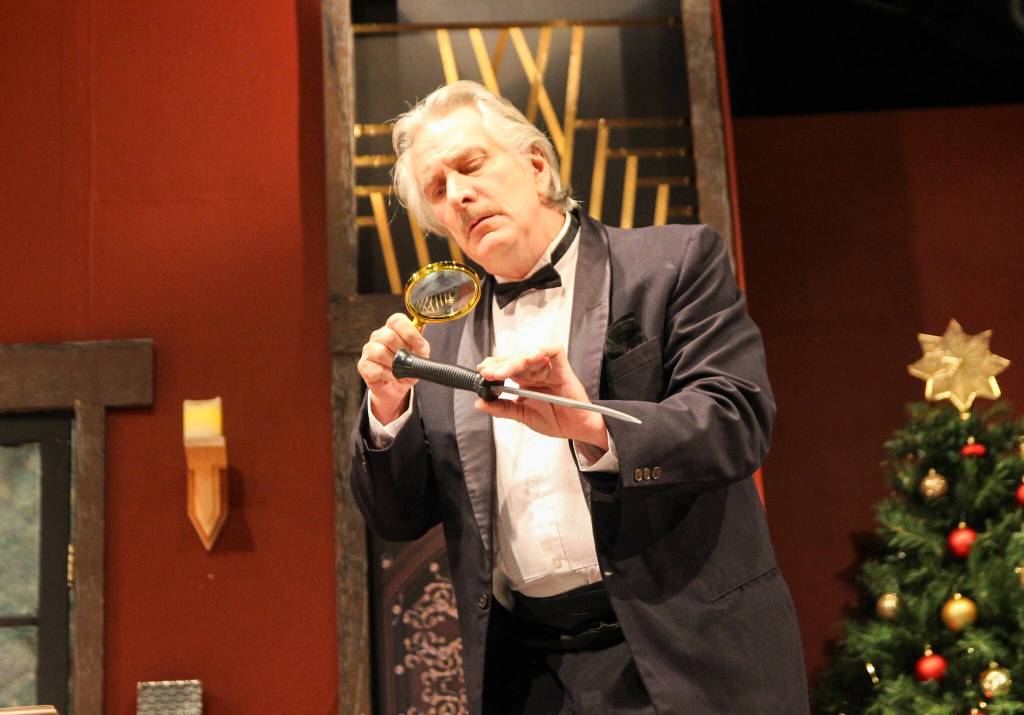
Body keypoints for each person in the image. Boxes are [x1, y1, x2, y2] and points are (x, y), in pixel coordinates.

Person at [351, 80, 808, 714]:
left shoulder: (673, 262)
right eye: (437, 189)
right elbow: (397, 518)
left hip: (688, 652)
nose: (457, 195)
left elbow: (736, 420)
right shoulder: (440, 343)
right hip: (530, 675)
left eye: (470, 165)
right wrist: (386, 409)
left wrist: (591, 426)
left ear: (536, 164)